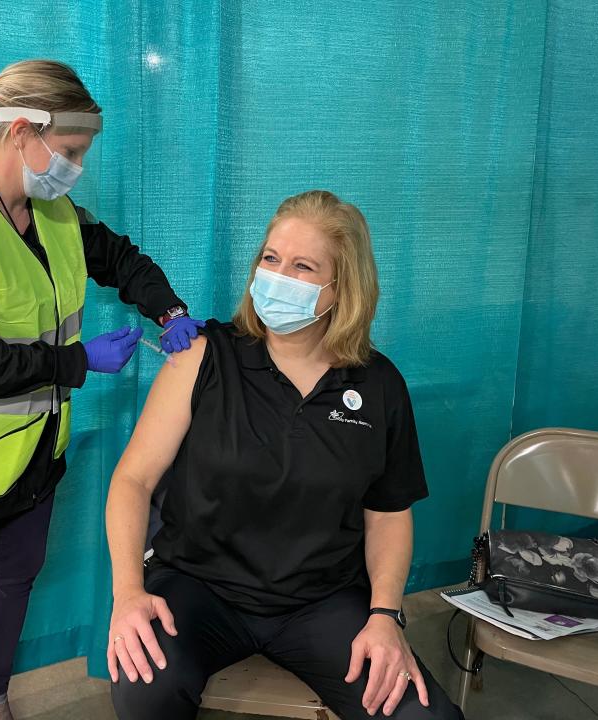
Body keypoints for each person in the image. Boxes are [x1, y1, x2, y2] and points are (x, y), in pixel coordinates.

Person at [0, 59, 204, 720]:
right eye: (73, 150)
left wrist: (166, 310)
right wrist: (76, 362)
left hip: (30, 456)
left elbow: (119, 259)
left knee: (12, 579)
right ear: (22, 132)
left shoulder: (51, 212)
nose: (76, 167)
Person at [105, 191, 465, 720]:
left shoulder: (379, 385)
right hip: (198, 587)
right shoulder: (205, 356)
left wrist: (385, 615)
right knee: (145, 691)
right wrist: (128, 593)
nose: (277, 277)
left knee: (424, 717)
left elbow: (387, 512)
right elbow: (132, 480)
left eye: (302, 266)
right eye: (270, 260)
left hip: (323, 601)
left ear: (342, 288)